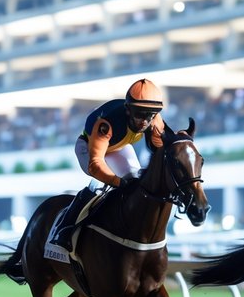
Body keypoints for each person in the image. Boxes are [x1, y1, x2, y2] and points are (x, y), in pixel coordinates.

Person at [50, 78, 166, 250]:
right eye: (139, 114)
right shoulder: (107, 123)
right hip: (89, 148)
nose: (144, 121)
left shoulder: (154, 120)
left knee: (136, 179)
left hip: (118, 147)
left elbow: (160, 151)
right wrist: (118, 182)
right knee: (98, 185)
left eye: (149, 115)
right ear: (128, 110)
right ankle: (64, 229)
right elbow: (95, 164)